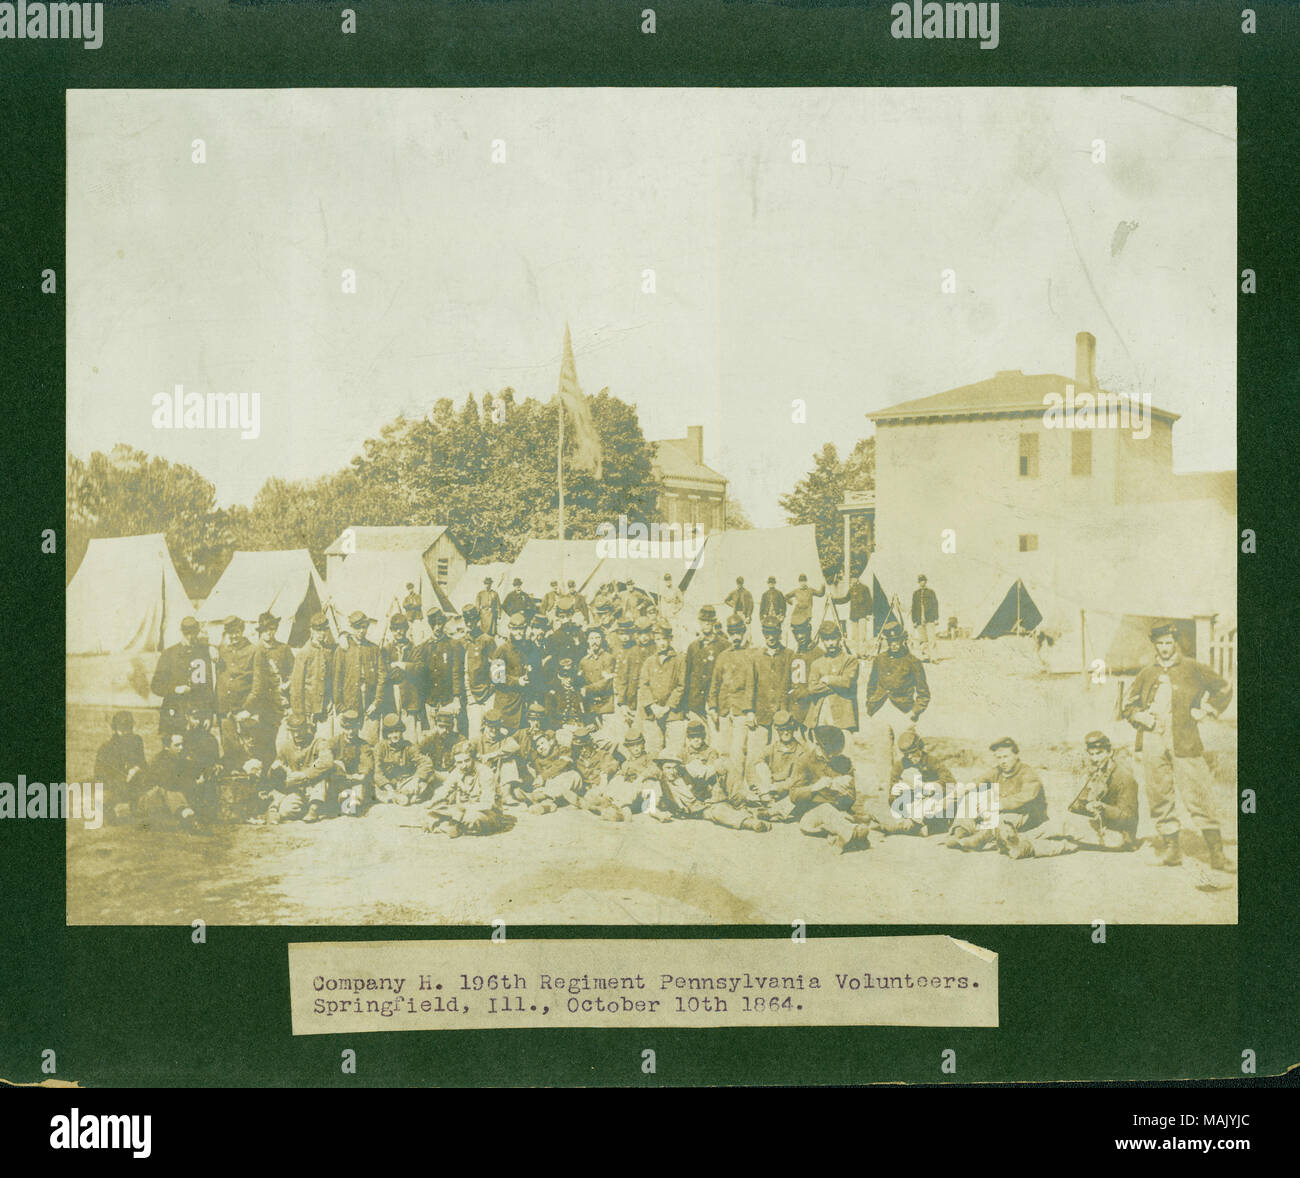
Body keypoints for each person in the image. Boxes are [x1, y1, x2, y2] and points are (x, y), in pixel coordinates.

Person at [1122, 621, 1234, 870]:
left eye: (1168, 643)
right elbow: (1128, 705)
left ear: (1176, 643)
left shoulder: (1192, 668)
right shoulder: (1147, 673)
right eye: (1160, 643)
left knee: (1199, 794)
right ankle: (1172, 848)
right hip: (1153, 738)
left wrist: (1206, 709)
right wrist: (1140, 717)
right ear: (1155, 645)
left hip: (1184, 738)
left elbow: (1224, 688)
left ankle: (1217, 854)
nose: (1164, 648)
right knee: (1159, 794)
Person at [999, 731, 1140, 859]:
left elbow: (1130, 818)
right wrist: (1084, 802)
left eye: (1099, 753)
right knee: (1067, 842)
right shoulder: (1098, 773)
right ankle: (1023, 848)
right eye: (1092, 754)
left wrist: (1103, 807)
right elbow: (1079, 806)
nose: (1095, 758)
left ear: (1110, 752)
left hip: (1120, 837)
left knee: (1066, 824)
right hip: (1102, 829)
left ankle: (1017, 838)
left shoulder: (1124, 778)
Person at [944, 737, 1047, 852]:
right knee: (971, 798)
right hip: (1006, 811)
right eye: (999, 758)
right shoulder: (998, 771)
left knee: (1003, 818)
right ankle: (961, 832)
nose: (1003, 761)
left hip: (1028, 816)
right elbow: (979, 780)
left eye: (1006, 757)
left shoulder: (1027, 772)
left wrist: (997, 804)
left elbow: (1026, 796)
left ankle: (979, 839)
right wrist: (961, 791)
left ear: (1016, 756)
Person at [783, 726, 871, 854]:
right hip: (811, 815)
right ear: (818, 746)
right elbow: (794, 795)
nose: (832, 755)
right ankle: (854, 833)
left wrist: (843, 791)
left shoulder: (844, 762)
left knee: (838, 817)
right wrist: (815, 787)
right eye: (829, 751)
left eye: (835, 752)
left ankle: (843, 837)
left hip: (838, 813)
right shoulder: (805, 760)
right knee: (825, 810)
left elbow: (851, 799)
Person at [150, 616, 215, 745]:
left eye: (194, 633)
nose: (190, 637)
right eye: (187, 633)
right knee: (174, 755)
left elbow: (208, 686)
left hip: (197, 713)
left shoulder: (203, 653)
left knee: (197, 755)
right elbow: (155, 685)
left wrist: (208, 714)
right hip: (175, 711)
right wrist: (174, 689)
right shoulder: (169, 654)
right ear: (182, 632)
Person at [709, 614, 759, 781]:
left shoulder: (750, 655)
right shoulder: (722, 656)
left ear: (744, 633)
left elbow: (751, 685)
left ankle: (736, 786)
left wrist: (750, 711)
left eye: (739, 633)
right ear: (728, 635)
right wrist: (713, 707)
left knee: (738, 751)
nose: (736, 637)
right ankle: (725, 785)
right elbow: (715, 684)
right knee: (723, 750)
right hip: (724, 710)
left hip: (741, 711)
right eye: (732, 634)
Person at [424, 743, 509, 837]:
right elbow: (445, 789)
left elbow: (487, 804)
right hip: (462, 810)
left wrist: (461, 809)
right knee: (430, 812)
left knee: (471, 818)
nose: (463, 766)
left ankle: (447, 825)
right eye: (459, 762)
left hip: (487, 813)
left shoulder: (485, 772)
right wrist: (432, 803)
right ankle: (451, 825)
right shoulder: (457, 771)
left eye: (467, 761)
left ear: (473, 758)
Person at [265, 712, 334, 823]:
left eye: (299, 730)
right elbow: (276, 769)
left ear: (306, 728)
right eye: (293, 731)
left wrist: (304, 774)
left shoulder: (318, 743)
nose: (296, 735)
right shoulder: (285, 746)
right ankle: (302, 808)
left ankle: (314, 809)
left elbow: (327, 762)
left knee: (321, 778)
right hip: (296, 789)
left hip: (314, 786)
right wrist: (275, 769)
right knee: (286, 811)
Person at [248, 611, 293, 767]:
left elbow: (293, 672)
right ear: (260, 630)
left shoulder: (283, 649)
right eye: (266, 629)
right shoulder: (253, 651)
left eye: (272, 628)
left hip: (279, 705)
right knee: (261, 747)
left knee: (279, 744)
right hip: (260, 707)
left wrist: (288, 683)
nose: (269, 632)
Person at [333, 610, 386, 740]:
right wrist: (340, 706)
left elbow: (382, 676)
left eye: (364, 627)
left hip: (369, 706)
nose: (361, 631)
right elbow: (336, 679)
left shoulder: (374, 649)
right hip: (349, 704)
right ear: (352, 628)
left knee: (369, 743)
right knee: (349, 743)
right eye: (357, 627)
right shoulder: (342, 649)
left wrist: (376, 702)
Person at [863, 621, 930, 721]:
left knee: (905, 736)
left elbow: (924, 694)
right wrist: (870, 704)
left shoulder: (913, 662)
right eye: (890, 641)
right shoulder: (880, 659)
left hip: (903, 711)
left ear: (903, 640)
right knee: (881, 735)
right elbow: (871, 685)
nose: (894, 644)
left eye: (897, 641)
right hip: (880, 708)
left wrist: (914, 712)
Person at [803, 620, 859, 732]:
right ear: (822, 641)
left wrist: (828, 679)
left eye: (833, 638)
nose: (831, 643)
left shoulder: (849, 660)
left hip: (843, 716)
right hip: (820, 714)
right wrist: (837, 686)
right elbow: (812, 688)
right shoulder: (817, 663)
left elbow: (847, 682)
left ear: (839, 639)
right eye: (826, 640)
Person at [604, 729, 673, 820]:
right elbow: (621, 776)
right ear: (628, 748)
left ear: (643, 745)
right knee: (618, 780)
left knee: (651, 782)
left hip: (646, 793)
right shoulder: (626, 764)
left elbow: (656, 771)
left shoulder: (649, 758)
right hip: (633, 796)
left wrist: (642, 777)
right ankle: (621, 807)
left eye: (638, 745)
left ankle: (653, 811)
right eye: (632, 746)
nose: (636, 749)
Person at [290, 613, 337, 738]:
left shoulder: (329, 651)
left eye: (324, 630)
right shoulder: (304, 653)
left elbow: (331, 679)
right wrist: (300, 715)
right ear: (311, 630)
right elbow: (296, 687)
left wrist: (331, 699)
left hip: (325, 708)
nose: (321, 634)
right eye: (318, 630)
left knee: (325, 742)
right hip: (308, 710)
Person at [93, 711, 147, 819]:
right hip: (112, 783)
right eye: (122, 728)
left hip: (132, 780)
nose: (126, 732)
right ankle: (109, 807)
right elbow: (100, 774)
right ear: (116, 728)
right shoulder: (107, 747)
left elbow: (143, 763)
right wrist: (122, 777)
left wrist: (136, 769)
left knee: (142, 777)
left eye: (128, 728)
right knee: (110, 817)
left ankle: (135, 807)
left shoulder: (137, 741)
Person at [372, 713, 433, 806]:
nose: (394, 735)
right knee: (375, 789)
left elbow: (426, 763)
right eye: (391, 733)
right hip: (387, 785)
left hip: (405, 783)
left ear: (401, 732)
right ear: (386, 734)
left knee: (427, 779)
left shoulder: (408, 746)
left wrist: (416, 780)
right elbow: (378, 772)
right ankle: (399, 797)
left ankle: (404, 796)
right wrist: (390, 789)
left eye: (397, 731)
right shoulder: (380, 747)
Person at [215, 616, 257, 748]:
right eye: (230, 632)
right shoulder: (222, 651)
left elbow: (258, 682)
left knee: (247, 747)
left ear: (242, 631)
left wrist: (249, 708)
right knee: (228, 748)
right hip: (224, 710)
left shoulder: (252, 650)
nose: (234, 636)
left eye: (237, 632)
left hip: (243, 709)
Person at [420, 609, 464, 729]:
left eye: (439, 624)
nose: (437, 628)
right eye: (434, 624)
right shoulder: (425, 647)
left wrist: (456, 698)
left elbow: (456, 673)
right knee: (433, 737)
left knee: (450, 734)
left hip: (448, 700)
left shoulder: (453, 645)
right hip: (431, 702)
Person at [459, 605, 495, 741]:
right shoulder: (462, 642)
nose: (469, 624)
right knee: (474, 735)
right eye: (467, 621)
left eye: (472, 620)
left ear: (477, 620)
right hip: (471, 696)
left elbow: (499, 670)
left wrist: (492, 689)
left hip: (488, 696)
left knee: (491, 734)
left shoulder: (487, 640)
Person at [488, 614, 531, 731]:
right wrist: (517, 682)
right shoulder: (502, 650)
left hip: (522, 706)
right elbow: (496, 677)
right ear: (510, 629)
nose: (519, 632)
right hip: (506, 707)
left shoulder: (527, 648)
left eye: (521, 629)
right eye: (515, 629)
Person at [330, 708, 376, 817]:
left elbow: (366, 761)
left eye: (353, 728)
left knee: (356, 801)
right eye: (347, 728)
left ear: (358, 728)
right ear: (343, 728)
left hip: (356, 779)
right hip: (339, 778)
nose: (350, 732)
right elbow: (326, 757)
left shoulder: (363, 744)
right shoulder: (334, 741)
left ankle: (351, 804)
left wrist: (362, 774)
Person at [579, 627, 618, 741]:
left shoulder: (608, 658)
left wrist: (587, 689)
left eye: (597, 638)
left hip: (606, 705)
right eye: (591, 638)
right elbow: (580, 682)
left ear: (602, 640)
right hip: (590, 707)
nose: (594, 641)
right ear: (587, 641)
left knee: (609, 738)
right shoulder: (584, 661)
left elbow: (607, 682)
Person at [784, 573, 825, 651]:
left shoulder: (810, 590)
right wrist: (791, 601)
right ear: (799, 582)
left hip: (807, 615)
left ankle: (807, 647)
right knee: (797, 632)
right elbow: (786, 596)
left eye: (804, 581)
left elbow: (820, 594)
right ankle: (800, 648)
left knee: (807, 630)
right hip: (797, 615)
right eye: (801, 581)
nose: (803, 583)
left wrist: (823, 586)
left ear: (806, 581)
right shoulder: (796, 591)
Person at [911, 574, 939, 662]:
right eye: (920, 581)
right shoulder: (916, 593)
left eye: (923, 580)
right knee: (923, 640)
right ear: (918, 582)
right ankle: (926, 656)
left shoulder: (931, 592)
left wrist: (936, 618)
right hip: (919, 620)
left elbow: (935, 605)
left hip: (929, 619)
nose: (922, 582)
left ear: (926, 581)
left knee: (932, 638)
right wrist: (914, 620)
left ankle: (934, 657)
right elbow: (914, 607)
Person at [848, 575, 872, 657]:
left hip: (862, 615)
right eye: (851, 579)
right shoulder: (851, 589)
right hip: (854, 616)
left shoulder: (864, 588)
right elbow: (845, 598)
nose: (851, 580)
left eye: (853, 578)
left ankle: (863, 653)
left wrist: (869, 613)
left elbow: (869, 601)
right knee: (855, 636)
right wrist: (833, 599)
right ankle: (856, 653)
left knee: (862, 636)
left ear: (857, 578)